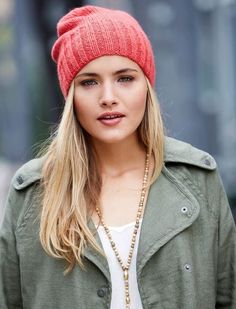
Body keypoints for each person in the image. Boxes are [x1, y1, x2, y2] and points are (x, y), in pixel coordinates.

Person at [0, 5, 235, 309]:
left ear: (146, 87)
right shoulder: (32, 194)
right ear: (71, 96)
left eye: (125, 78)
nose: (108, 96)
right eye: (89, 82)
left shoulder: (198, 179)